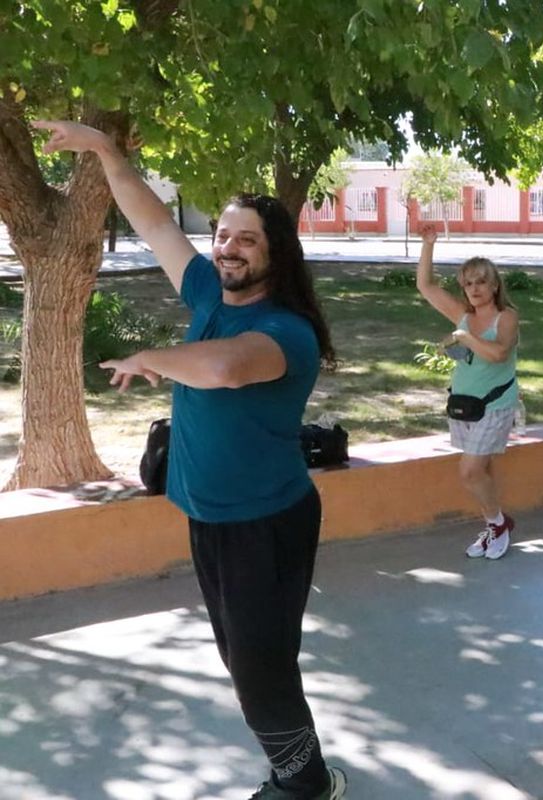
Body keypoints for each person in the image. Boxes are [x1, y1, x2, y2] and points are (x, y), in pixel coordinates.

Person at [33, 121, 346, 799]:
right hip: (211, 516)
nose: (227, 247)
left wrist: (152, 357)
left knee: (260, 668)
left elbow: (227, 369)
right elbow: (153, 222)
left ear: (275, 254)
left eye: (246, 239)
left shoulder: (285, 331)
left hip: (265, 522)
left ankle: (305, 783)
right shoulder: (209, 292)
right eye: (223, 235)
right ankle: (300, 770)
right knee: (245, 659)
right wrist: (105, 150)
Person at [416, 223, 520, 559]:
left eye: (481, 282)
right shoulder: (462, 315)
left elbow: (499, 353)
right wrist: (429, 244)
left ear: (494, 285)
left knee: (470, 471)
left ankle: (498, 524)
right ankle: (493, 525)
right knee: (481, 471)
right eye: (468, 283)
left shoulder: (506, 317)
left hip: (495, 405)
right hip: (464, 405)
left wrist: (465, 338)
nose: (474, 288)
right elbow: (426, 286)